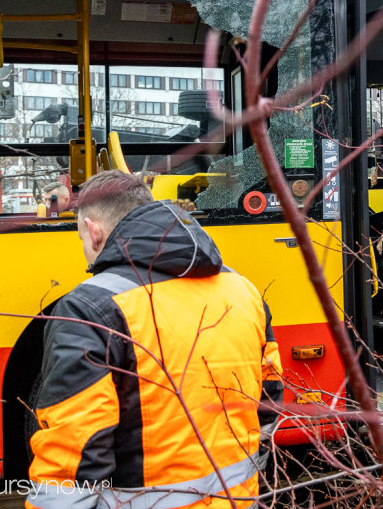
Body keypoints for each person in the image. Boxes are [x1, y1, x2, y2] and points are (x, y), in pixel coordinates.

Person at [27, 170, 282, 509]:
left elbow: (73, 456)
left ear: (93, 231)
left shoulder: (89, 308)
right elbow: (269, 399)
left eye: (81, 239)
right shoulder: (243, 289)